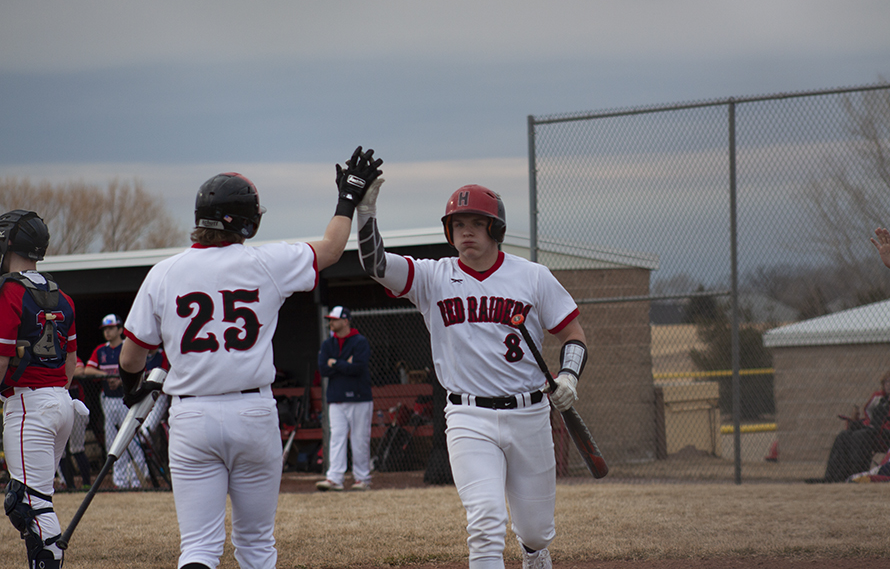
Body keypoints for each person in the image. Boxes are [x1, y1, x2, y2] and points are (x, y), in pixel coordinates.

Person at [117, 150, 382, 569]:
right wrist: (347, 199)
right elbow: (331, 249)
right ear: (247, 219)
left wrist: (135, 388)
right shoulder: (265, 262)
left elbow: (131, 356)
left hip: (192, 415)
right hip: (252, 410)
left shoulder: (163, 272)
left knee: (199, 548)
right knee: (256, 545)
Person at [355, 181, 586, 569]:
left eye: (477, 223)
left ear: (496, 229)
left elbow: (572, 332)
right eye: (457, 223)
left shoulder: (532, 276)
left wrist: (569, 376)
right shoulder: (432, 276)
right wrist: (365, 214)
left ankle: (534, 552)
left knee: (535, 530)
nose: (465, 231)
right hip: (467, 416)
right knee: (485, 522)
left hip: (529, 415)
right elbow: (375, 264)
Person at [0, 210, 80, 569]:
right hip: (61, 403)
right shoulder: (63, 296)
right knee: (36, 498)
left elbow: (1, 360)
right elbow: (69, 365)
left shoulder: (10, 291)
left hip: (29, 404)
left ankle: (48, 561)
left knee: (28, 503)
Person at [83, 313, 149, 489]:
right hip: (109, 400)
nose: (108, 332)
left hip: (128, 400)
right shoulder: (101, 350)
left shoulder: (127, 347)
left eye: (111, 328)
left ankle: (138, 480)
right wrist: (106, 375)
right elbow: (88, 371)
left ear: (120, 329)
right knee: (113, 443)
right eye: (105, 329)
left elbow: (144, 372)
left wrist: (121, 379)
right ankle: (119, 482)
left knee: (133, 440)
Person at [315, 306, 374, 492]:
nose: (330, 323)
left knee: (360, 439)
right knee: (337, 438)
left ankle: (362, 478)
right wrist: (344, 363)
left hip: (360, 398)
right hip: (336, 398)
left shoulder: (359, 341)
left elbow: (358, 367)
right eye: (329, 320)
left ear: (346, 321)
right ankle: (334, 479)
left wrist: (335, 362)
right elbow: (323, 369)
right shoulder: (327, 344)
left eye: (334, 319)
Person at [812, 370, 890, 483]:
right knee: (844, 436)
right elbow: (869, 416)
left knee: (860, 436)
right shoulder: (879, 398)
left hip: (889, 434)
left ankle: (857, 475)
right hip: (873, 430)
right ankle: (833, 477)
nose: (888, 384)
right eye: (885, 382)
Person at [59, 356, 93, 490]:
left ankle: (86, 484)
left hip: (76, 408)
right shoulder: (50, 357)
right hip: (57, 407)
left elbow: (80, 371)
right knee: (60, 451)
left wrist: (60, 373)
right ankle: (69, 485)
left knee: (77, 448)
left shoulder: (70, 356)